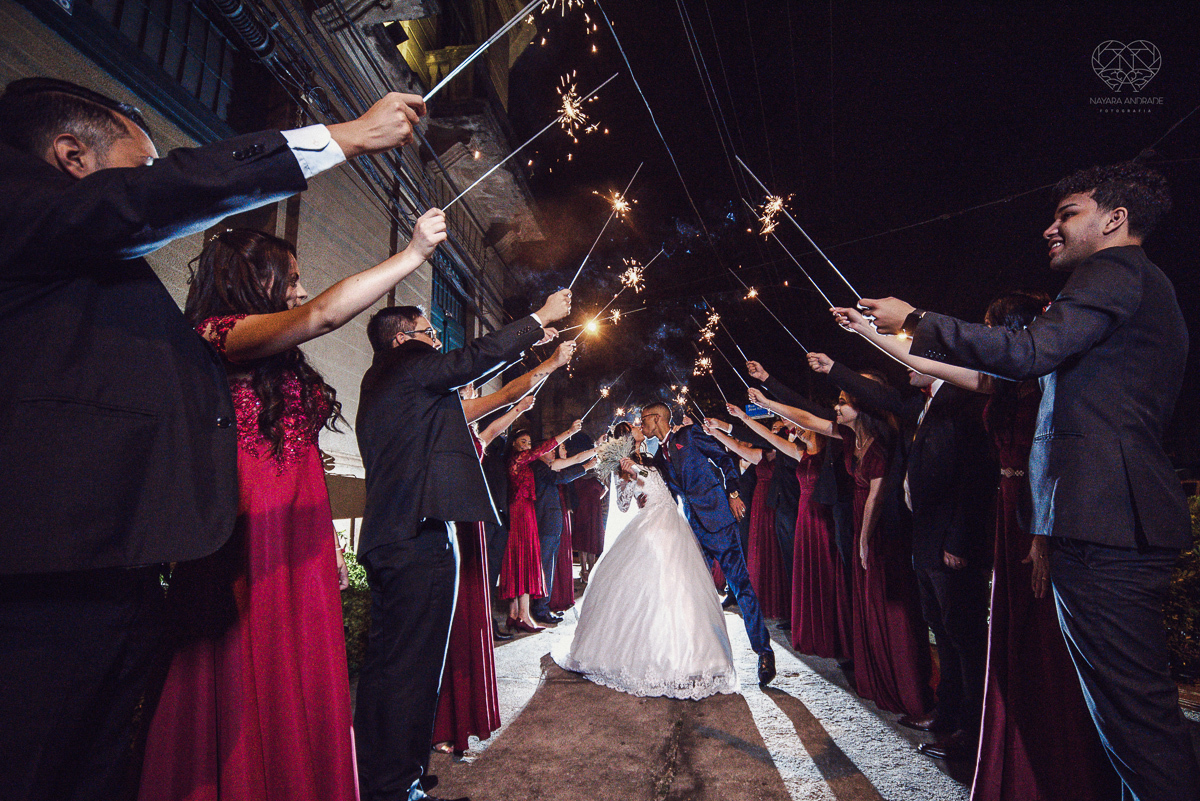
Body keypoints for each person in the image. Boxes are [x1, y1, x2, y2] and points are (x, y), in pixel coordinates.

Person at [0, 75, 424, 801]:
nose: (154, 180)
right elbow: (318, 314)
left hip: (121, 551)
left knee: (94, 760)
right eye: (143, 167)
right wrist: (346, 140)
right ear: (72, 157)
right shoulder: (24, 208)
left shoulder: (85, 267)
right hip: (61, 559)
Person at [853, 162, 1199, 801]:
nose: (1050, 228)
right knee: (1127, 721)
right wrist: (895, 334)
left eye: (1068, 214)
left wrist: (918, 317)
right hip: (1104, 522)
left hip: (1105, 524)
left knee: (1138, 725)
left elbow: (1026, 352)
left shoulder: (1114, 271)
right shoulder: (1131, 286)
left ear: (1115, 219)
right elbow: (1009, 372)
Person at [139, 210, 445, 800]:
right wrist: (411, 256)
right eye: (293, 278)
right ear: (254, 281)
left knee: (299, 668)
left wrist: (326, 537)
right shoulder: (217, 333)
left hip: (299, 525)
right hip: (250, 528)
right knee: (248, 663)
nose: (301, 290)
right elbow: (323, 315)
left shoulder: (280, 360)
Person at [354, 290, 572, 801]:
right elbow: (473, 359)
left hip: (390, 536)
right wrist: (539, 316)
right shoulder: (407, 367)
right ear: (402, 339)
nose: (436, 341)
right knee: (413, 670)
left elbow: (482, 383)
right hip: (419, 537)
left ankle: (384, 775)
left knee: (386, 668)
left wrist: (534, 352)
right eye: (428, 333)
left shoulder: (384, 385)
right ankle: (399, 787)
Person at [807, 350, 994, 762]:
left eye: (916, 355)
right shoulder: (921, 406)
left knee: (965, 640)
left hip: (950, 546)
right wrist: (834, 367)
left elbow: (974, 476)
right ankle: (946, 715)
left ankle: (973, 730)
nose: (906, 363)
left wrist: (958, 541)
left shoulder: (961, 403)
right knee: (942, 632)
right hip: (924, 540)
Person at [749, 383, 932, 716]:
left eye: (843, 401)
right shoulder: (850, 437)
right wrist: (767, 402)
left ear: (862, 406)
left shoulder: (881, 442)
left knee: (887, 606)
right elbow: (807, 417)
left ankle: (908, 690)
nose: (836, 406)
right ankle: (876, 678)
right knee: (866, 603)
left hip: (880, 528)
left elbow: (877, 497)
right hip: (858, 522)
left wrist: (864, 538)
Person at [433, 343, 576, 756]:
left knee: (470, 612)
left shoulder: (477, 435)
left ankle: (454, 716)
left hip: (473, 524)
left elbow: (495, 427)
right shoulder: (443, 424)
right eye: (469, 391)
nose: (474, 395)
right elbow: (501, 423)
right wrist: (542, 369)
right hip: (454, 521)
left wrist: (520, 405)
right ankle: (437, 718)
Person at [552, 429, 737, 699]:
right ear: (628, 437)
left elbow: (664, 486)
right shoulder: (622, 465)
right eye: (635, 427)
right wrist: (629, 479)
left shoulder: (651, 457)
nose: (640, 426)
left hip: (673, 522)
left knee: (684, 586)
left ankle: (701, 657)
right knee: (657, 583)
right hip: (652, 525)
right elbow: (623, 504)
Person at [641, 402, 777, 686]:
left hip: (719, 521)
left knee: (741, 587)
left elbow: (724, 460)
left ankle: (764, 652)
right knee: (693, 593)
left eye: (644, 420)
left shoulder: (689, 435)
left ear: (657, 418)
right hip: (691, 531)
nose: (642, 425)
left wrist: (733, 493)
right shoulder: (659, 457)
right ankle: (700, 658)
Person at [714, 407, 851, 660]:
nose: (796, 429)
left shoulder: (828, 454)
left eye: (801, 425)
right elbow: (766, 437)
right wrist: (732, 423)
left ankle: (837, 637)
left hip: (822, 519)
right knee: (803, 573)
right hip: (802, 517)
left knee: (826, 575)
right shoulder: (799, 452)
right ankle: (813, 628)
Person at [500, 421, 583, 632]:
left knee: (521, 561)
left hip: (526, 510)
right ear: (513, 444)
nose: (527, 447)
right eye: (523, 442)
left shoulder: (526, 463)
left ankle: (515, 614)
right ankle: (524, 615)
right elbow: (543, 450)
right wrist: (569, 431)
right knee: (524, 561)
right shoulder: (518, 459)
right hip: (521, 511)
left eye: (529, 443)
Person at [530, 438, 596, 624]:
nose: (553, 451)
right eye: (550, 449)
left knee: (549, 563)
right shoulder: (539, 467)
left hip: (551, 522)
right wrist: (586, 467)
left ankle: (545, 605)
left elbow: (572, 462)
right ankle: (540, 608)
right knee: (545, 564)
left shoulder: (545, 466)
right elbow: (559, 478)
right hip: (545, 522)